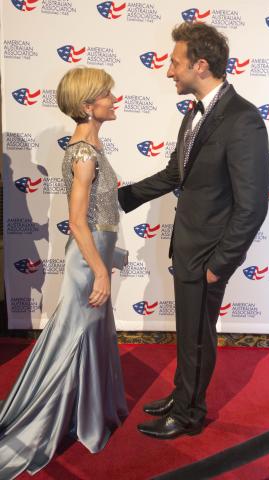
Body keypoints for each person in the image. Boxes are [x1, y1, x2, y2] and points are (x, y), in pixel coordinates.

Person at [118, 22, 269, 440]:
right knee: (188, 332)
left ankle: (188, 414)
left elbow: (253, 204)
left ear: (200, 66)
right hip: (186, 247)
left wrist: (220, 264)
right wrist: (120, 197)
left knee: (198, 338)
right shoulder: (194, 112)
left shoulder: (243, 120)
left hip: (207, 255)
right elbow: (176, 172)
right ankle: (182, 395)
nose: (169, 71)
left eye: (175, 63)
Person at [0, 67, 128, 478]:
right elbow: (77, 222)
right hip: (87, 262)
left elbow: (97, 213)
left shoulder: (90, 149)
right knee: (73, 338)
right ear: (88, 106)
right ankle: (44, 423)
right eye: (106, 94)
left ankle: (86, 416)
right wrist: (101, 272)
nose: (114, 98)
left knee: (86, 336)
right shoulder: (85, 155)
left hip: (96, 257)